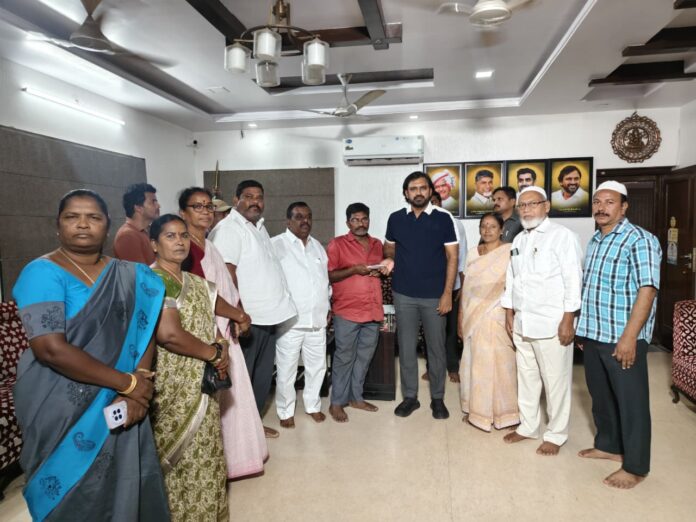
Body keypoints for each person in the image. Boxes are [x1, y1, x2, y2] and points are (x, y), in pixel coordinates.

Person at [12, 189, 170, 521]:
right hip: (59, 402)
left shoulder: (132, 274)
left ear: (107, 225)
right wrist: (129, 384)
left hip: (125, 398)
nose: (83, 224)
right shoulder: (42, 273)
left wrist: (139, 383)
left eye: (93, 217)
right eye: (72, 217)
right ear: (58, 226)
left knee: (127, 482)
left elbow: (145, 329)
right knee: (73, 494)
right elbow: (50, 349)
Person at [576, 181, 661, 489]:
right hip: (594, 333)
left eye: (609, 202)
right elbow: (591, 287)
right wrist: (583, 329)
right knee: (601, 397)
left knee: (631, 402)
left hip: (622, 335)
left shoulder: (640, 239)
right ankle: (609, 445)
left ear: (624, 207)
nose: (601, 207)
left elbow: (647, 290)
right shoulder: (595, 240)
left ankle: (636, 466)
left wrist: (630, 338)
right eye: (597, 201)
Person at [177, 187, 268, 479]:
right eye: (197, 207)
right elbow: (202, 296)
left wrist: (236, 312)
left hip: (223, 328)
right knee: (214, 398)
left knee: (234, 396)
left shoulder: (207, 243)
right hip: (205, 332)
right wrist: (238, 315)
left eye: (208, 206)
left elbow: (223, 286)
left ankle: (238, 458)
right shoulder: (187, 250)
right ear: (182, 213)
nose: (205, 212)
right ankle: (218, 463)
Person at [149, 214, 232, 521]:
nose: (179, 242)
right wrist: (214, 354)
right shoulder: (154, 280)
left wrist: (222, 346)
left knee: (207, 447)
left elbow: (210, 322)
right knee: (177, 454)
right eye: (170, 236)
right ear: (154, 244)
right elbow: (169, 335)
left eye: (183, 235)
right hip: (172, 381)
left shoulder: (195, 282)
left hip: (203, 379)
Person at [209, 179, 297, 439]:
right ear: (236, 200)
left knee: (261, 377)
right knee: (243, 379)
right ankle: (240, 434)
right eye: (248, 196)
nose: (254, 202)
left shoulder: (258, 227)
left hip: (268, 317)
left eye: (259, 197)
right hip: (248, 319)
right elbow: (227, 274)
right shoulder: (229, 229)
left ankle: (254, 426)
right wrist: (239, 315)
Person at [501, 186, 582, 455]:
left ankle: (556, 434)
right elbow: (512, 278)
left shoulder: (563, 236)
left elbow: (573, 280)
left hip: (552, 324)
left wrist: (568, 319)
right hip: (523, 322)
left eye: (532, 204)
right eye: (522, 206)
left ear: (546, 206)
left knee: (556, 381)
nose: (526, 210)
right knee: (527, 378)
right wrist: (509, 312)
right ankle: (528, 426)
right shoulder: (518, 240)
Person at [384, 171, 459, 420]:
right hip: (403, 294)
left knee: (436, 349)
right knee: (406, 348)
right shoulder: (396, 219)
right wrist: (389, 259)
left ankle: (437, 398)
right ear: (406, 193)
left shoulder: (443, 218)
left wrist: (447, 293)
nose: (418, 192)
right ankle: (410, 397)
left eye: (423, 188)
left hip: (434, 296)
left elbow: (452, 257)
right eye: (413, 188)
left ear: (430, 191)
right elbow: (389, 247)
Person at [327, 203, 391, 423]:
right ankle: (337, 402)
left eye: (364, 219)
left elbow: (382, 269)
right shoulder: (337, 244)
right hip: (347, 311)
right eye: (355, 219)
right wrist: (354, 270)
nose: (360, 223)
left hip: (372, 310)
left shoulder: (376, 244)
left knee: (364, 358)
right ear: (348, 223)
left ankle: (356, 398)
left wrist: (382, 271)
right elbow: (329, 276)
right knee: (344, 357)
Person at [271, 202, 331, 428]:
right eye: (298, 217)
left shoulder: (317, 247)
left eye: (308, 216)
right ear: (288, 221)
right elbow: (270, 281)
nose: (305, 221)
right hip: (290, 322)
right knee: (286, 369)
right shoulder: (276, 245)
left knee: (317, 367)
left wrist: (327, 306)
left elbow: (324, 281)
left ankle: (313, 406)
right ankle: (285, 410)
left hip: (317, 320)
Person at [458, 213, 519, 431]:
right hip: (473, 316)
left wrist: (511, 314)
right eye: (483, 226)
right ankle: (478, 413)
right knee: (476, 364)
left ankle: (507, 415)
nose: (487, 230)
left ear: (502, 229)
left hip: (498, 314)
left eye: (493, 226)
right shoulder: (473, 253)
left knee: (502, 365)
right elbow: (466, 288)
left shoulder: (509, 251)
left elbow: (515, 285)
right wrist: (461, 316)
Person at [422, 192, 467, 383]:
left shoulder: (455, 224)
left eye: (434, 202)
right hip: (428, 288)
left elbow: (461, 256)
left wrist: (461, 285)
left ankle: (453, 367)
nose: (432, 205)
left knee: (450, 329)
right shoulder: (420, 224)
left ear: (440, 203)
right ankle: (431, 367)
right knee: (430, 330)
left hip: (452, 285)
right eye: (429, 203)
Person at [113, 183, 160, 264]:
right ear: (138, 208)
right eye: (153, 202)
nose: (158, 206)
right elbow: (140, 271)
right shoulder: (127, 236)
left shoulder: (143, 231)